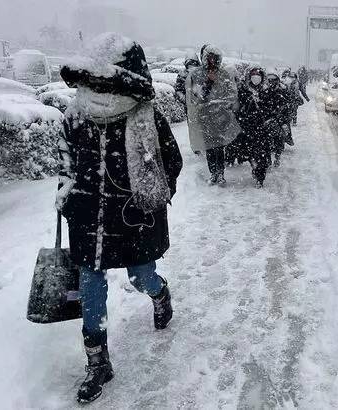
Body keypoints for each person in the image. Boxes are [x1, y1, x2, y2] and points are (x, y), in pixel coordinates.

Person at [56, 32, 183, 404]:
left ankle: (160, 293)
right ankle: (97, 362)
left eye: (106, 80)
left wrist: (151, 199)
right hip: (88, 218)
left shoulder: (146, 117)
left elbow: (170, 164)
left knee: (140, 276)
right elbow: (65, 161)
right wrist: (67, 194)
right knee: (90, 285)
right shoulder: (75, 114)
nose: (98, 87)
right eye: (94, 80)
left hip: (133, 218)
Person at [185, 44, 241, 185]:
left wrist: (222, 105)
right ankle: (213, 173)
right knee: (209, 146)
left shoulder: (223, 73)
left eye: (214, 58)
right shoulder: (197, 74)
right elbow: (196, 96)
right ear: (204, 58)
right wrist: (208, 83)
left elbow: (231, 94)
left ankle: (220, 174)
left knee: (219, 147)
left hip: (221, 116)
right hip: (204, 116)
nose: (211, 61)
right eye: (209, 58)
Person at [236, 66, 270, 187]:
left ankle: (260, 177)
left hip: (263, 128)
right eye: (253, 75)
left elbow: (271, 108)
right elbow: (239, 108)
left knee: (262, 154)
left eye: (258, 75)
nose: (256, 77)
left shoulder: (267, 91)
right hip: (248, 127)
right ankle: (255, 168)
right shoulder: (244, 90)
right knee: (251, 153)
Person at [262, 71, 289, 168]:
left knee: (279, 141)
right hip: (268, 120)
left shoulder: (282, 91)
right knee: (266, 142)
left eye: (273, 80)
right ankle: (268, 160)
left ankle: (277, 157)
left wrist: (283, 120)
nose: (271, 82)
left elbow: (286, 107)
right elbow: (262, 106)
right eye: (270, 80)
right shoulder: (264, 92)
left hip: (279, 121)